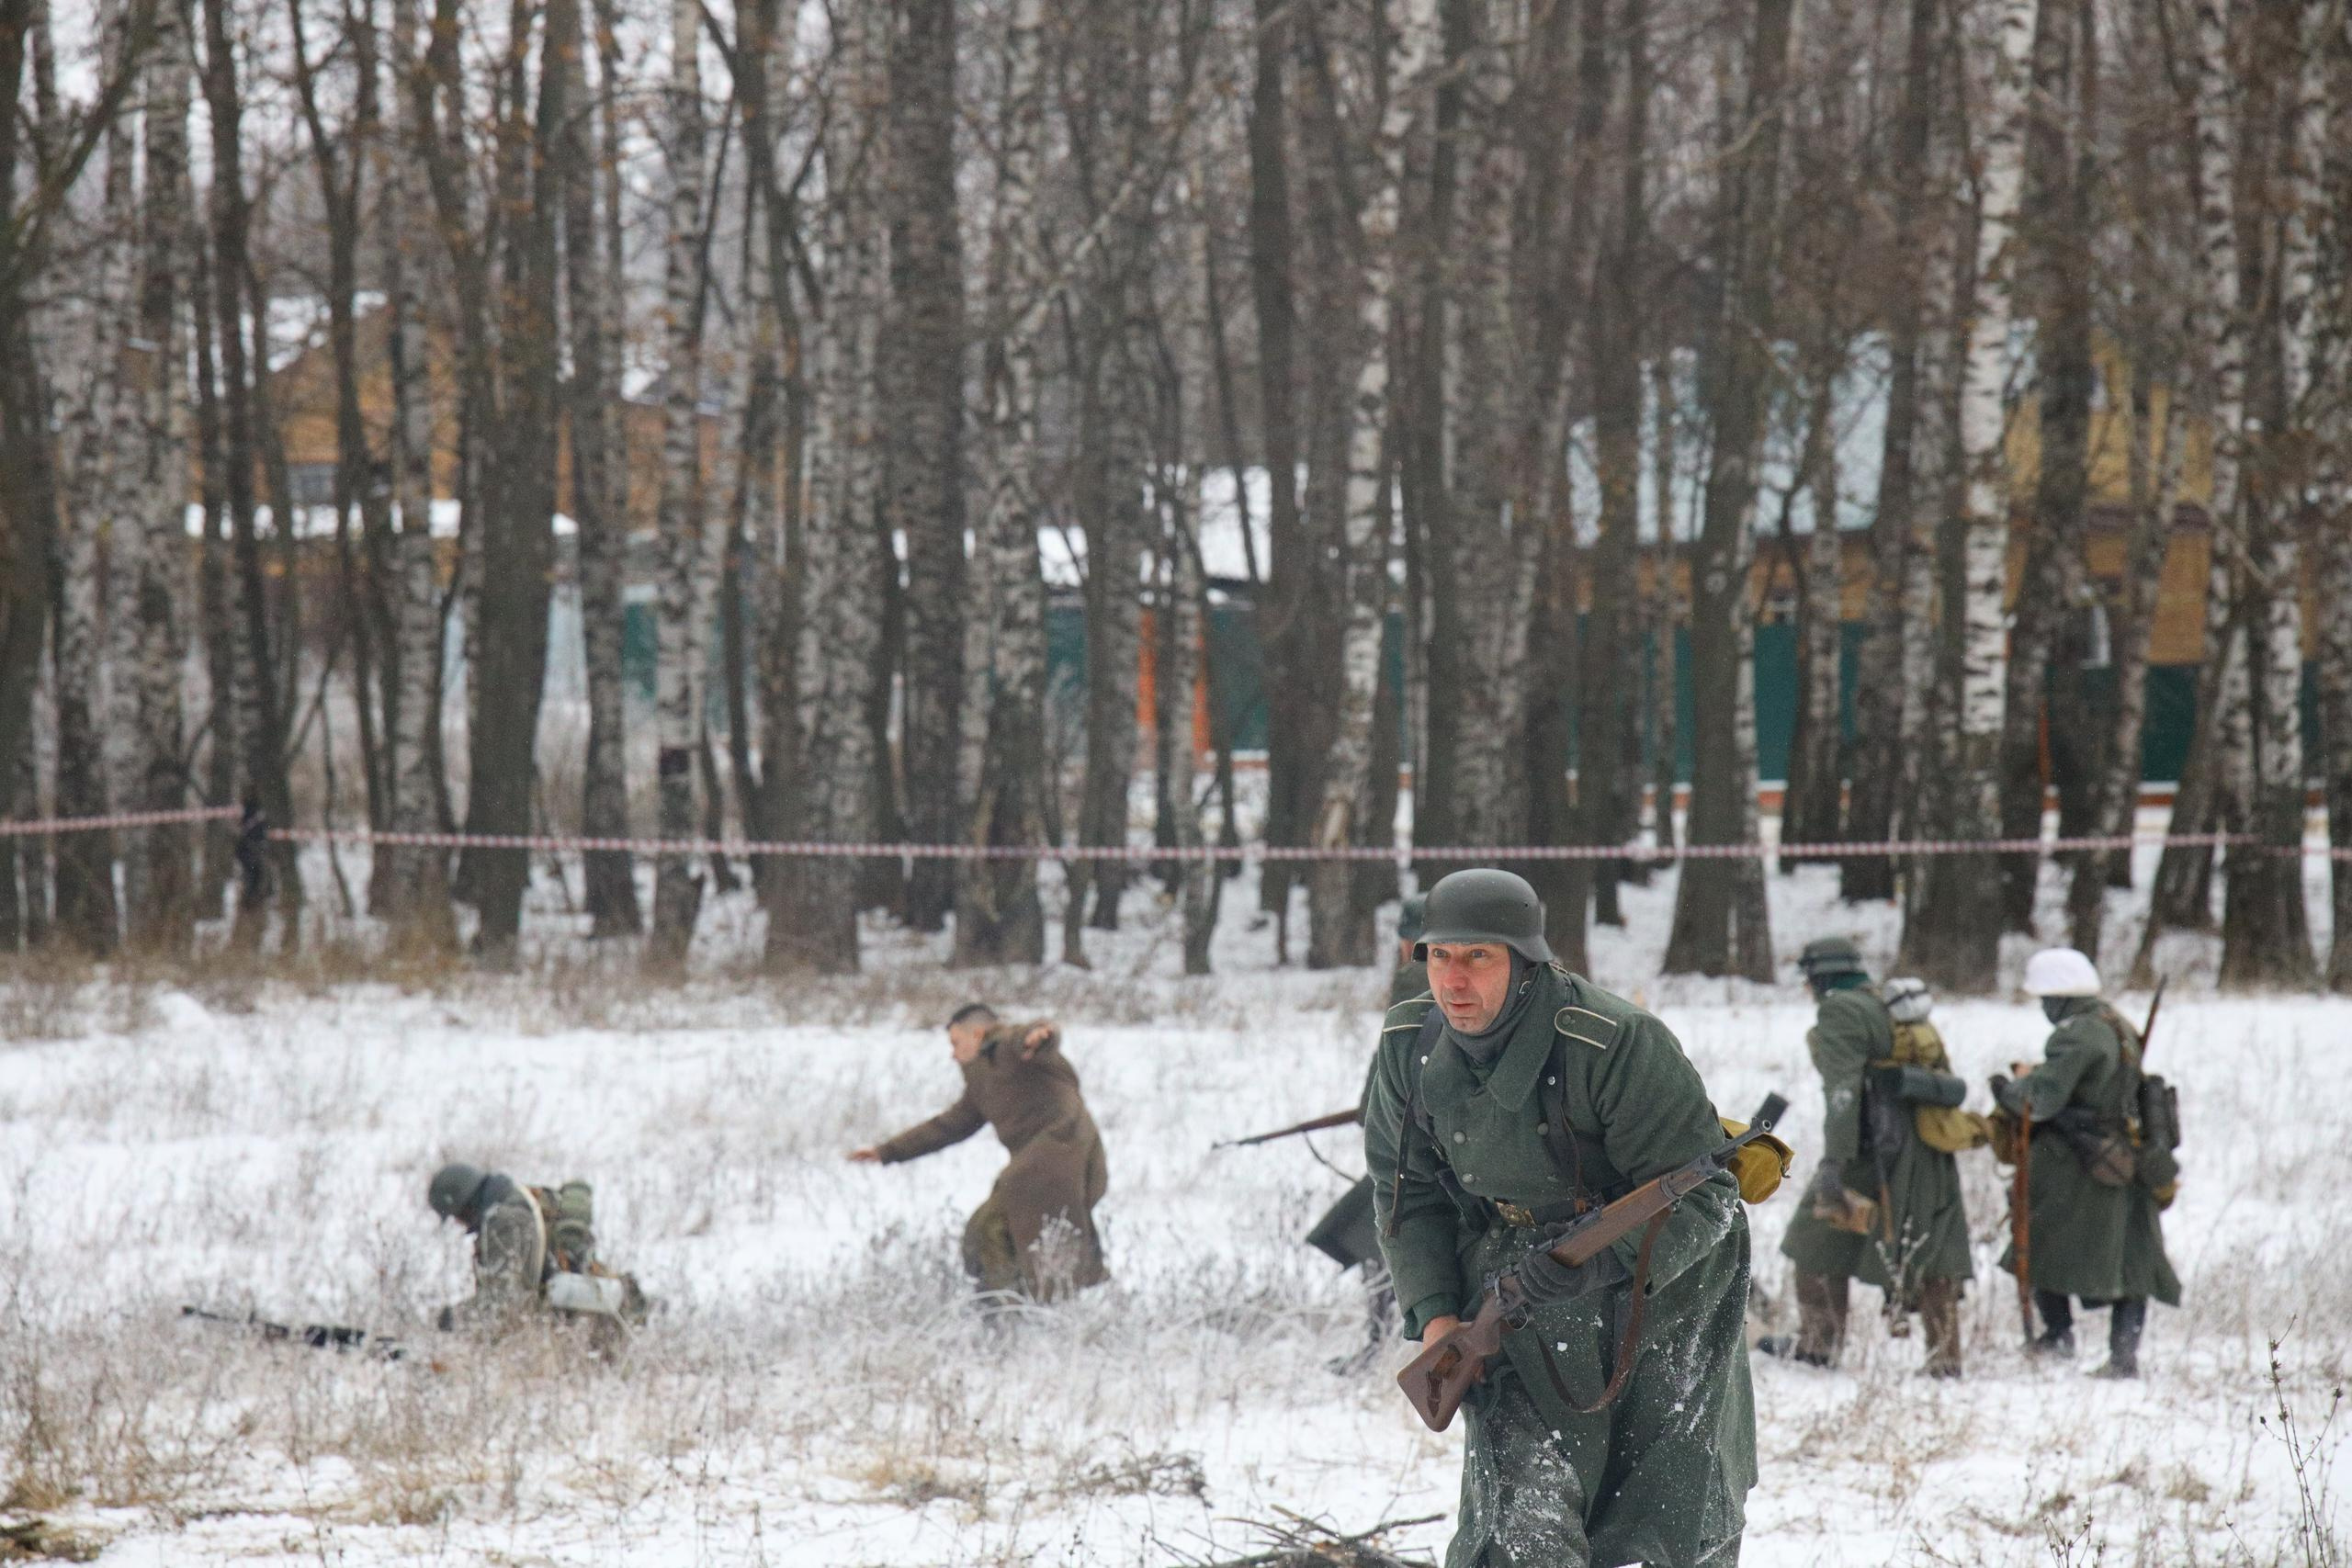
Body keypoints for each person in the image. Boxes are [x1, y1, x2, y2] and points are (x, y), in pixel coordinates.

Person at [1364, 868, 1753, 1568]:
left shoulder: (1614, 1041)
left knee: (1672, 1512)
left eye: (1479, 955)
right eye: (1440, 955)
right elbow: (1407, 1193)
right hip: (1511, 1289)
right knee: (1522, 1524)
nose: (1454, 980)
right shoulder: (1407, 1044)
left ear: (1525, 958)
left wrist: (1594, 1263)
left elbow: (1704, 1196)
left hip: (1665, 1285)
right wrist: (1438, 1316)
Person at [1765, 938, 1973, 1377]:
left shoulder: (1841, 1011)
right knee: (1931, 1250)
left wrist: (1834, 1162)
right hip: (1926, 1145)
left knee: (1814, 1240)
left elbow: (1842, 1091)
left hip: (1870, 1148)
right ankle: (1945, 1359)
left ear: (1819, 976)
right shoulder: (1894, 1003)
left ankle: (1819, 1346)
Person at [1994, 947, 2180, 1378]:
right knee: (2133, 1257)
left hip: (2077, 1159)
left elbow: (2040, 1102)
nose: (2043, 1007)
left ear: (2059, 997)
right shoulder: (2115, 1023)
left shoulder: (2075, 1034)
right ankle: (2122, 1357)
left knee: (2038, 1239)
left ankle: (2058, 1334)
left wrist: (2011, 1089)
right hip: (2122, 1151)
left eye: (2044, 998)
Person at [850, 1004, 1110, 1301]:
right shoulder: (981, 1080)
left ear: (978, 1033)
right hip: (1035, 1169)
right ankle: (1010, 1310)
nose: (952, 1053)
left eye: (955, 1042)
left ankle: (1013, 1315)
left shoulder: (1011, 1049)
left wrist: (1040, 1036)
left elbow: (1030, 1036)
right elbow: (949, 1126)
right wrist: (887, 1151)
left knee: (998, 1230)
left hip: (1063, 1155)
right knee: (982, 1233)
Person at [426, 1163, 648, 1332]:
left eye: (455, 1216)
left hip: (580, 1329)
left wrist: (455, 1319)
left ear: (463, 1205)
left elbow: (503, 1304)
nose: (457, 1223)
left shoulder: (505, 1222)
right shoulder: (515, 1197)